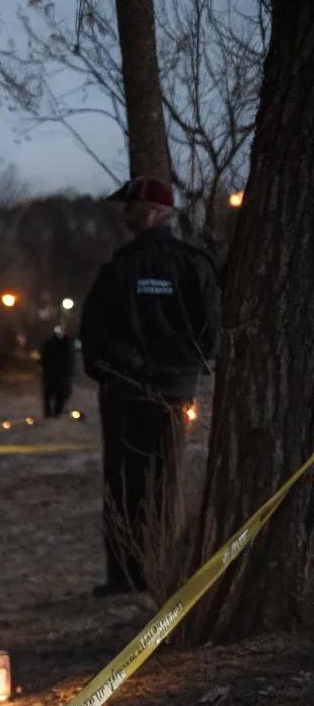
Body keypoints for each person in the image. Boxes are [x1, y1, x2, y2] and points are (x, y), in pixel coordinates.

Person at [81, 175, 220, 596]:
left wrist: (116, 372)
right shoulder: (195, 264)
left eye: (130, 207)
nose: (124, 215)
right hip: (177, 393)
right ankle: (161, 566)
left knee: (124, 483)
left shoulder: (120, 268)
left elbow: (94, 333)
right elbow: (210, 335)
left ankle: (127, 576)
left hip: (127, 395)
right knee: (166, 480)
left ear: (154, 211)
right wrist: (180, 368)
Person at [40, 324, 75, 417]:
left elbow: (43, 358)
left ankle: (51, 412)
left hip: (54, 373)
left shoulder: (55, 343)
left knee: (51, 393)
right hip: (58, 373)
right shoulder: (65, 344)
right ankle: (55, 412)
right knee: (57, 393)